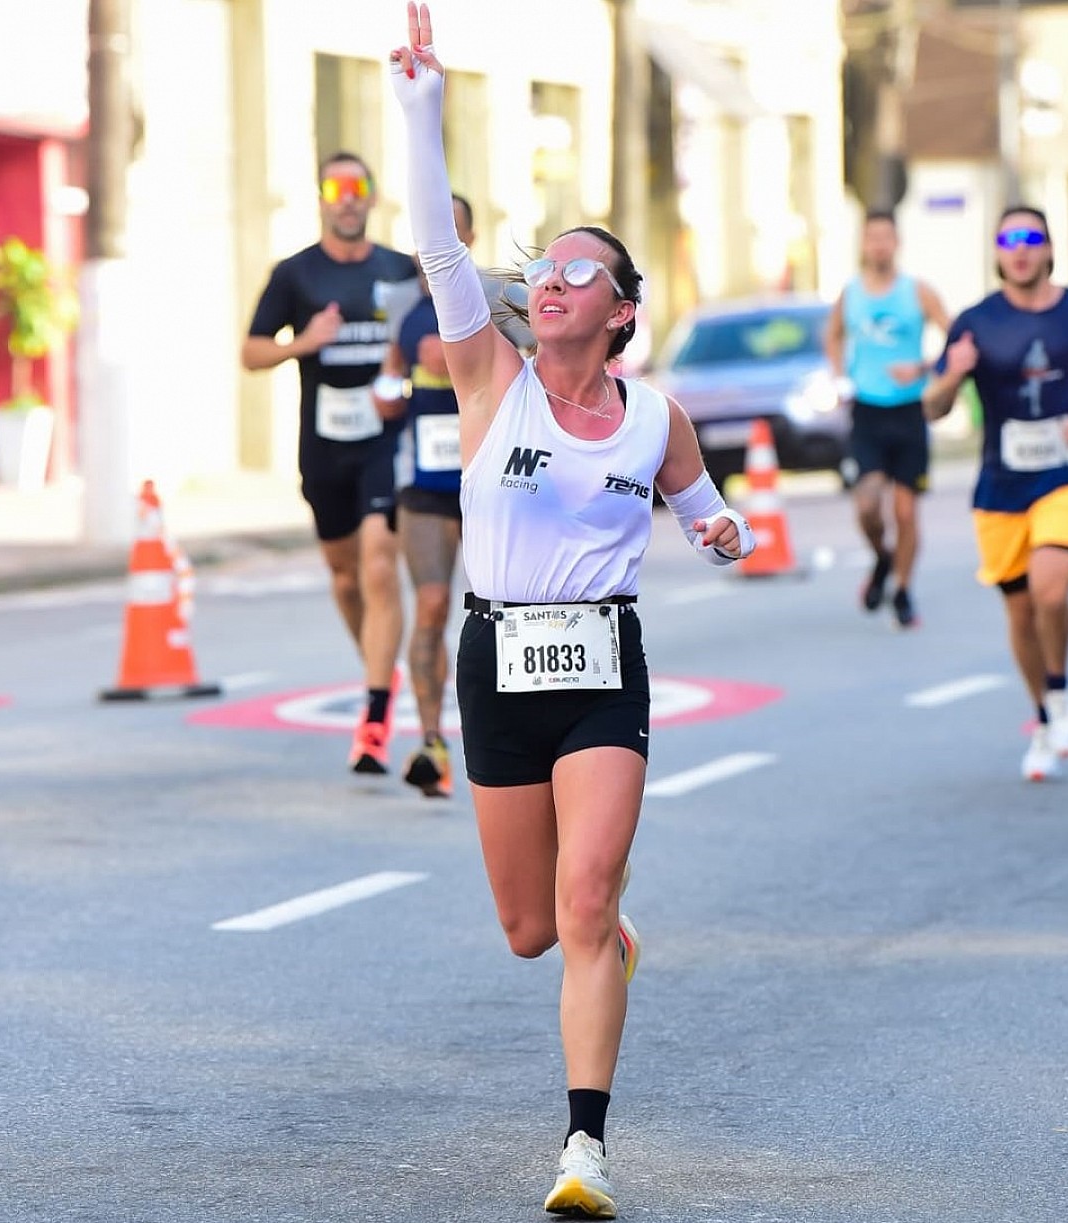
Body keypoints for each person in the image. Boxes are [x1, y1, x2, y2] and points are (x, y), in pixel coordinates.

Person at [388, 5, 755, 1216]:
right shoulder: (487, 376)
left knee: (585, 900)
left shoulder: (656, 417)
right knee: (531, 929)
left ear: (621, 310)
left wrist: (717, 530)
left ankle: (583, 1150)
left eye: (578, 266)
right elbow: (443, 254)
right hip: (498, 661)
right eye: (542, 261)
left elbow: (714, 517)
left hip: (601, 658)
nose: (549, 275)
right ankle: (606, 939)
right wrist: (421, 106)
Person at [923, 205, 1068, 781]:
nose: (1019, 249)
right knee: (1020, 613)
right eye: (1008, 239)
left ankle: (1064, 695)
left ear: (1049, 248)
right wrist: (951, 375)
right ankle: (1044, 717)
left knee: (1050, 590)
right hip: (1001, 484)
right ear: (997, 253)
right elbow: (934, 406)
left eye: (1030, 238)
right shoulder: (974, 322)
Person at [241, 151, 420, 777]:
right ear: (321, 198)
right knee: (346, 578)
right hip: (323, 448)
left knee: (378, 562)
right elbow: (251, 351)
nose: (347, 198)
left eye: (358, 187)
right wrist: (303, 343)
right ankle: (379, 668)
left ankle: (373, 720)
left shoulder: (399, 270)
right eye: (335, 187)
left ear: (373, 198)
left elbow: (432, 335)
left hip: (385, 442)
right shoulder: (295, 275)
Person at [390, 193, 538, 799]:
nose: (436, 243)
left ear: (470, 239)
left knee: (508, 609)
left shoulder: (500, 296)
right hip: (424, 481)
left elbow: (550, 354)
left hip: (496, 480)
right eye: (429, 230)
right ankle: (431, 741)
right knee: (430, 608)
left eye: (450, 231)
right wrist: (403, 378)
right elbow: (380, 385)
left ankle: (523, 738)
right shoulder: (396, 301)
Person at [825, 209, 950, 628]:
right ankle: (882, 557)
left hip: (909, 411)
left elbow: (957, 339)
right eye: (872, 237)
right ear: (864, 244)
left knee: (907, 512)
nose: (879, 245)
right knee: (867, 504)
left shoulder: (918, 292)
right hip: (867, 411)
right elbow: (832, 336)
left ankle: (902, 590)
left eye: (886, 237)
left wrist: (924, 367)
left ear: (897, 242)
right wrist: (840, 376)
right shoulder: (852, 294)